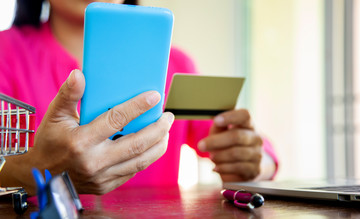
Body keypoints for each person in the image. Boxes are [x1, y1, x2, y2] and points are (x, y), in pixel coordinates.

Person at [0, 0, 278, 195]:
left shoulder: (176, 65)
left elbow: (252, 149)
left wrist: (251, 160)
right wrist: (35, 170)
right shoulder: (6, 54)